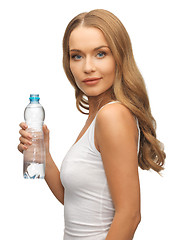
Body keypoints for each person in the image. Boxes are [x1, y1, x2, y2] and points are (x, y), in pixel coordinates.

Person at [18, 9, 166, 240]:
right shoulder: (97, 116)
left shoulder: (112, 115)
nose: (87, 67)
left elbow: (130, 215)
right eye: (77, 56)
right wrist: (42, 154)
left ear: (120, 56)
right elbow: (76, 200)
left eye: (100, 54)